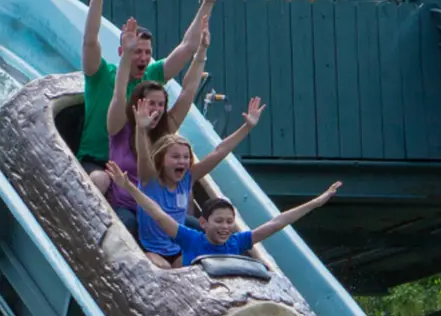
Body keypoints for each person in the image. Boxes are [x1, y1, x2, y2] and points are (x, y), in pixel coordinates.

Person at [78, 0, 225, 197]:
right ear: (122, 51)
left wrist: (207, 3)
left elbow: (188, 47)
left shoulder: (152, 77)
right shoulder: (102, 73)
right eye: (137, 51)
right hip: (97, 160)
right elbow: (89, 41)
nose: (144, 57)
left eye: (148, 52)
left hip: (135, 166)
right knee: (100, 180)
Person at [107, 167, 342, 267]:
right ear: (203, 223)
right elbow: (158, 214)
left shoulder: (237, 242)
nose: (225, 227)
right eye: (219, 221)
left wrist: (316, 202)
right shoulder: (191, 238)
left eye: (229, 222)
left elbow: (277, 222)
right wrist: (129, 187)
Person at [128, 99, 262, 268]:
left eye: (186, 157)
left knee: (195, 266)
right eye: (175, 157)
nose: (182, 161)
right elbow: (143, 156)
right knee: (164, 268)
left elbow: (220, 151)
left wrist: (247, 127)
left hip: (178, 248)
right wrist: (141, 129)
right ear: (161, 159)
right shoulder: (150, 179)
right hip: (152, 249)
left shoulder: (187, 178)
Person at [99, 38, 209, 231]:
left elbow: (188, 92)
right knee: (129, 225)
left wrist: (201, 53)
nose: (157, 109)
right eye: (151, 103)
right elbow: (119, 93)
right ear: (138, 103)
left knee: (196, 230)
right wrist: (127, 55)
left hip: (159, 211)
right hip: (126, 207)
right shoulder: (118, 127)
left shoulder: (165, 130)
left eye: (161, 105)